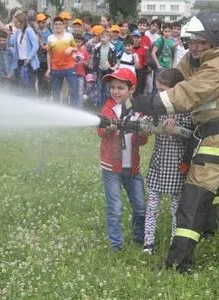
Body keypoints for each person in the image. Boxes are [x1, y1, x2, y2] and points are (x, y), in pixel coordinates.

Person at [133, 10, 219, 272]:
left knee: (192, 202)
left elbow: (189, 92)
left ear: (216, 40)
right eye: (191, 41)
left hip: (217, 141)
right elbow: (180, 76)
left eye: (200, 41)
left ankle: (179, 262)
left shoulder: (218, 66)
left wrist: (152, 102)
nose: (193, 47)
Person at [143, 68, 193, 254]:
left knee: (176, 209)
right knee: (152, 207)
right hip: (158, 166)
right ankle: (148, 243)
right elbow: (147, 122)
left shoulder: (186, 111)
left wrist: (177, 130)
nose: (159, 94)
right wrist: (145, 127)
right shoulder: (157, 108)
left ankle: (175, 243)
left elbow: (191, 135)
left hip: (177, 168)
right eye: (157, 90)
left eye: (163, 90)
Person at [97, 68, 148, 252]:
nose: (115, 92)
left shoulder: (138, 112)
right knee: (115, 209)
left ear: (131, 89)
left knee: (141, 207)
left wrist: (141, 131)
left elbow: (143, 141)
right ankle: (116, 246)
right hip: (111, 168)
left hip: (132, 169)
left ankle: (139, 237)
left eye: (120, 88)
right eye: (112, 87)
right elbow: (100, 130)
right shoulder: (108, 108)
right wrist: (108, 128)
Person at [46, 16, 79, 106]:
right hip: (56, 68)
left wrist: (71, 48)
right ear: (53, 25)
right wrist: (49, 68)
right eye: (56, 24)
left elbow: (76, 48)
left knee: (73, 89)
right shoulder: (50, 38)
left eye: (60, 24)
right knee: (56, 91)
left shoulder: (69, 36)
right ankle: (57, 110)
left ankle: (74, 108)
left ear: (63, 25)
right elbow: (49, 53)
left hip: (69, 67)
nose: (58, 26)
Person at [10, 12, 39, 94]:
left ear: (21, 21)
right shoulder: (17, 32)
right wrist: (10, 35)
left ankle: (33, 102)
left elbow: (35, 46)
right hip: (20, 61)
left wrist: (29, 58)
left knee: (30, 84)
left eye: (16, 22)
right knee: (22, 84)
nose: (15, 24)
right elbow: (12, 43)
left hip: (29, 62)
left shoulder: (29, 30)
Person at [92, 29, 118, 106]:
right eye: (101, 37)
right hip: (99, 69)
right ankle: (99, 103)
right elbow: (95, 59)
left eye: (104, 37)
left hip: (108, 70)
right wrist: (94, 70)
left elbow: (114, 59)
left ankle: (107, 104)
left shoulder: (112, 47)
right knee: (99, 86)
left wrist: (111, 65)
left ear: (108, 38)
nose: (102, 39)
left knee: (107, 88)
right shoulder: (97, 47)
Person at [36, 13, 52, 99]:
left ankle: (48, 97)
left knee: (47, 80)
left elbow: (47, 46)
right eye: (40, 22)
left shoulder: (49, 31)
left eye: (44, 21)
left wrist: (41, 44)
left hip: (47, 60)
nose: (42, 23)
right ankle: (40, 97)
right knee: (40, 80)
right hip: (38, 60)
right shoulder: (35, 31)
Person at [73, 33, 90, 108]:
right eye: (76, 41)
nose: (77, 43)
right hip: (71, 74)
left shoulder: (85, 52)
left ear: (82, 42)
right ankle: (72, 107)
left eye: (79, 41)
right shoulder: (71, 50)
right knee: (72, 92)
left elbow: (87, 64)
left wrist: (85, 63)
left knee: (80, 92)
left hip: (81, 74)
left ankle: (79, 108)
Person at [132, 29, 147, 95]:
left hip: (140, 70)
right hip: (131, 69)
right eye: (134, 37)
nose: (136, 39)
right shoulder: (129, 48)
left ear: (140, 39)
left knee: (140, 87)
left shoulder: (143, 49)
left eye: (138, 37)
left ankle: (138, 101)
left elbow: (145, 61)